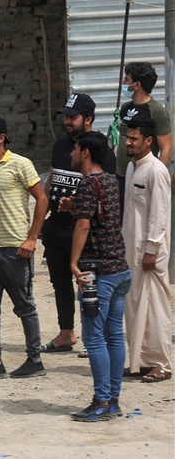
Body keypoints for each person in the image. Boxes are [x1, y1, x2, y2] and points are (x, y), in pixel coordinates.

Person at [0, 116, 48, 382]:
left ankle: (34, 359)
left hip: (17, 251)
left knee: (24, 307)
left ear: (1, 138)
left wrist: (32, 239)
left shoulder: (20, 164)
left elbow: (42, 199)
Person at [58, 132, 130, 421]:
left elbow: (84, 226)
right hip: (120, 270)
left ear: (86, 152)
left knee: (94, 338)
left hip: (97, 272)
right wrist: (74, 207)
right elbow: (101, 217)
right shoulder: (111, 180)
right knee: (114, 336)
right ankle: (112, 400)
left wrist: (74, 263)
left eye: (75, 149)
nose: (72, 154)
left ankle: (101, 402)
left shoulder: (88, 184)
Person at [41, 93, 116, 356]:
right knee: (59, 283)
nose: (68, 121)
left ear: (89, 119)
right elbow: (51, 179)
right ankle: (66, 333)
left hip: (82, 232)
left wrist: (78, 205)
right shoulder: (61, 145)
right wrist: (42, 221)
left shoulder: (101, 151)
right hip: (56, 228)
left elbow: (108, 195)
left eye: (73, 117)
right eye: (66, 117)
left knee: (89, 285)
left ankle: (93, 337)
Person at [121, 105, 172, 383]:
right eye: (127, 137)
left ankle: (161, 364)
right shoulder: (132, 167)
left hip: (150, 253)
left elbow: (160, 214)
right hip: (132, 251)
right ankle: (138, 362)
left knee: (155, 307)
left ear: (148, 141)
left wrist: (151, 249)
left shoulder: (156, 170)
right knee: (134, 305)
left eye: (133, 138)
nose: (128, 142)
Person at [116, 62, 172, 207]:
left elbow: (166, 148)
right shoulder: (125, 108)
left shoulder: (156, 111)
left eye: (127, 80)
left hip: (142, 175)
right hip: (122, 174)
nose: (123, 83)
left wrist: (156, 176)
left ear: (137, 84)